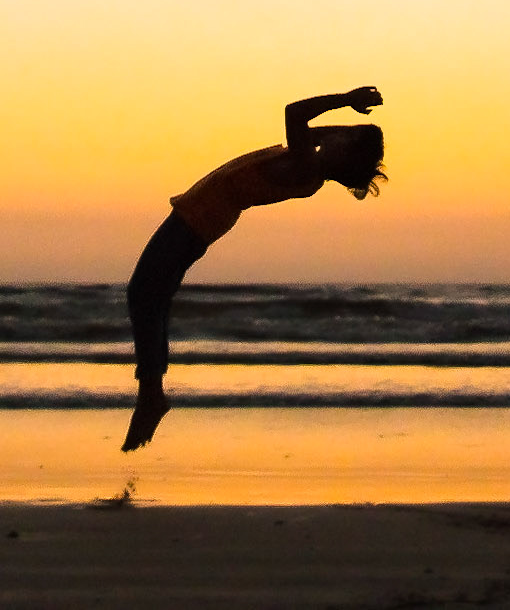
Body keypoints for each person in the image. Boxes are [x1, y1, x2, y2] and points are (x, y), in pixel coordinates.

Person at [122, 85, 385, 452]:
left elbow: (294, 112)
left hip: (199, 218)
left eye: (347, 137)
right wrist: (347, 131)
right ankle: (152, 392)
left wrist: (345, 100)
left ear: (347, 156)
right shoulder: (306, 160)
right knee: (153, 297)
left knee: (144, 294)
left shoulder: (306, 167)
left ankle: (151, 393)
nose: (340, 134)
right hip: (202, 215)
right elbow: (306, 131)